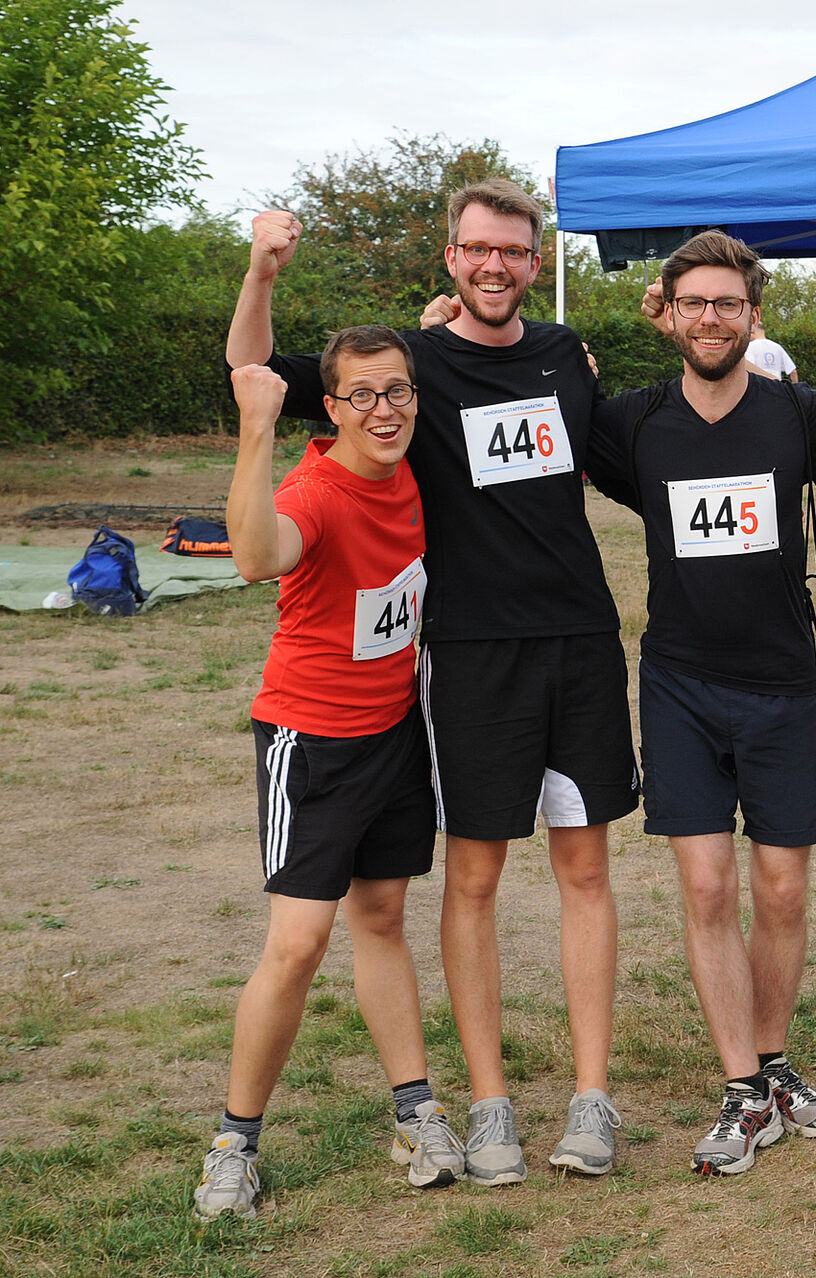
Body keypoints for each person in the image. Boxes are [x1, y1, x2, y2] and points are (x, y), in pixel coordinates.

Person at [227, 180, 637, 1186]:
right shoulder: (413, 370)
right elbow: (250, 370)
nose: (495, 267)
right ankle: (489, 1105)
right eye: (477, 250)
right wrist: (262, 271)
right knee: (474, 879)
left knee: (586, 871)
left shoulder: (566, 361)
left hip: (580, 644)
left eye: (514, 252)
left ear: (537, 265)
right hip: (467, 662)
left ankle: (593, 1098)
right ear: (450, 261)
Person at [597, 230, 816, 1176]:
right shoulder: (633, 422)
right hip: (679, 681)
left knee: (781, 888)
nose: (714, 318)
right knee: (706, 886)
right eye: (696, 303)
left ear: (754, 315)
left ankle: (772, 1067)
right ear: (671, 313)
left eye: (730, 303)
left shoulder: (793, 412)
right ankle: (740, 1087)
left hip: (780, 685)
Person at [196, 334, 457, 1219]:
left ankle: (415, 1111)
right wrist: (255, 432)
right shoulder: (316, 489)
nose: (384, 411)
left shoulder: (410, 465)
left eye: (398, 393)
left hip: (393, 735)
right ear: (331, 407)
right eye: (361, 397)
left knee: (382, 918)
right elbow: (257, 555)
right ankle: (234, 1143)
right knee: (300, 941)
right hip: (309, 743)